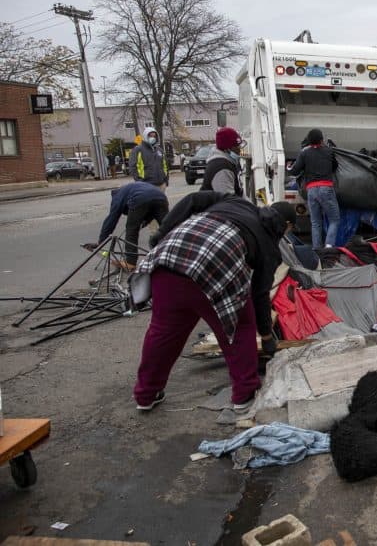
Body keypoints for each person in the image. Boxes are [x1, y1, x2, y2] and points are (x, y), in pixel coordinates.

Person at [131, 192, 296, 412]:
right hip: (215, 262)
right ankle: (244, 393)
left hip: (169, 255)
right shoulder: (270, 247)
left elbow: (193, 200)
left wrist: (163, 230)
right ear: (286, 226)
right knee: (239, 328)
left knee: (164, 331)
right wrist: (266, 336)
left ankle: (145, 394)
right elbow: (259, 295)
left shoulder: (236, 201)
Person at [289, 128, 340, 249]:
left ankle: (317, 250)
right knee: (334, 219)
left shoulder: (304, 153)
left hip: (311, 190)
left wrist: (289, 166)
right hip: (326, 189)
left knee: (316, 223)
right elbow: (335, 166)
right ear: (322, 140)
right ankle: (328, 246)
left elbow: (295, 171)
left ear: (309, 141)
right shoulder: (328, 151)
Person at [202, 127, 243, 196]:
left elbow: (239, 192)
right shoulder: (221, 167)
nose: (239, 150)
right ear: (227, 149)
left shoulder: (228, 163)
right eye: (236, 146)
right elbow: (228, 201)